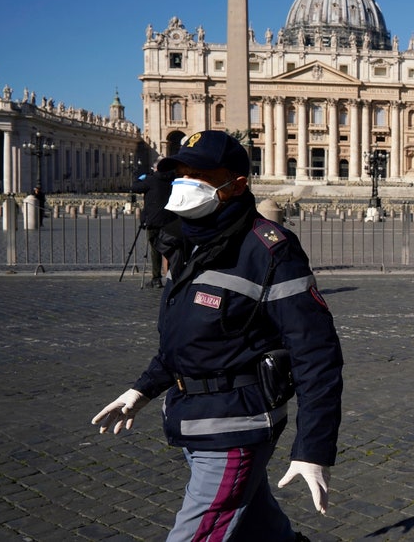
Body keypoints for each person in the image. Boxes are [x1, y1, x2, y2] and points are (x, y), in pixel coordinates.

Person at [92, 130, 344, 542]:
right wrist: (143, 389)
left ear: (237, 184)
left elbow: (316, 354)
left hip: (236, 428)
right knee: (263, 530)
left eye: (201, 175)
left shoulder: (269, 250)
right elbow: (188, 341)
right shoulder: (183, 244)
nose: (186, 183)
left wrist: (313, 448)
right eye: (181, 172)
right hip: (191, 419)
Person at [131, 166, 179, 288]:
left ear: (156, 168)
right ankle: (173, 276)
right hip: (170, 219)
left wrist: (139, 178)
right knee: (170, 248)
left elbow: (135, 188)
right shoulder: (173, 179)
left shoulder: (151, 180)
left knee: (155, 249)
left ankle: (156, 278)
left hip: (154, 220)